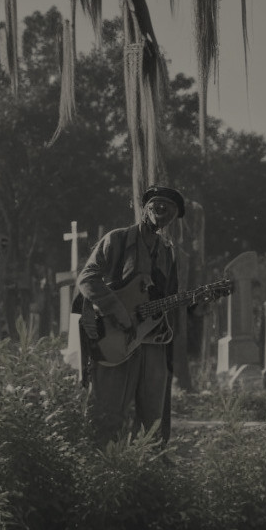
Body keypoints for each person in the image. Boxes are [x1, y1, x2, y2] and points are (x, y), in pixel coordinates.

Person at [76, 184, 192, 443]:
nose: (163, 211)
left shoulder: (167, 251)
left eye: (170, 208)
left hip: (153, 343)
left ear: (174, 216)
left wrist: (193, 303)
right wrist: (118, 311)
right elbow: (87, 279)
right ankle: (103, 470)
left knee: (153, 419)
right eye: (157, 204)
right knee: (108, 414)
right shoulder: (117, 240)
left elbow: (167, 299)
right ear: (145, 208)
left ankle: (152, 472)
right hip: (115, 340)